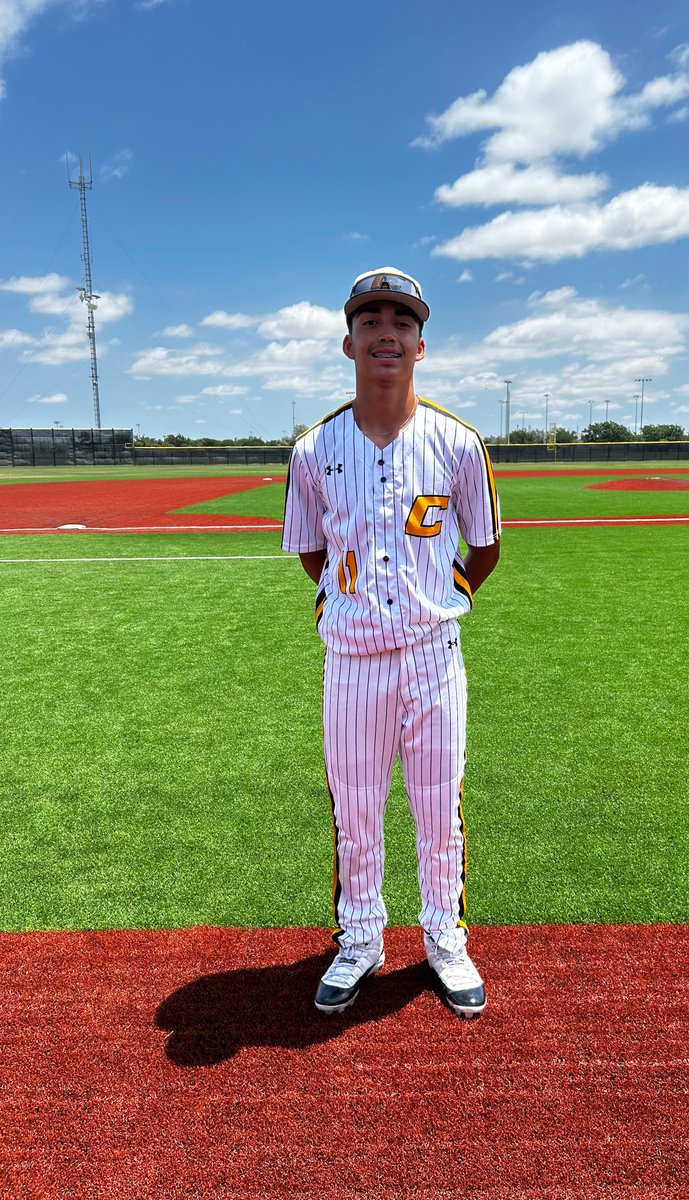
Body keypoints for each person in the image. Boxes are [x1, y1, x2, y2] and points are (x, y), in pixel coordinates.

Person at [281, 267, 500, 1018]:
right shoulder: (313, 450)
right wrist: (345, 603)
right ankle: (361, 940)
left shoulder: (459, 444)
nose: (386, 332)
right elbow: (310, 549)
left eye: (401, 322)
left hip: (434, 659)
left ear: (421, 344)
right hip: (351, 664)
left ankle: (445, 939)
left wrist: (438, 600)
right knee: (357, 811)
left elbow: (487, 547)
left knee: (440, 812)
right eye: (371, 319)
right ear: (349, 341)